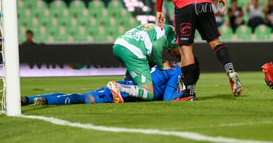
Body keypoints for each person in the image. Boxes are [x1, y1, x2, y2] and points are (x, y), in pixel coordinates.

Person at [21, 61, 184, 106]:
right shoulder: (175, 71)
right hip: (122, 94)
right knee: (81, 99)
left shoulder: (163, 65)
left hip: (125, 87)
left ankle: (29, 99)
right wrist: (183, 94)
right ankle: (33, 100)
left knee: (81, 97)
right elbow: (168, 97)